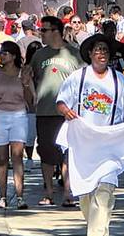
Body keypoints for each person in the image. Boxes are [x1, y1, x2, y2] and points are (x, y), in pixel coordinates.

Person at [56, 33, 124, 236]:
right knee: (87, 197)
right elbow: (61, 101)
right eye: (97, 50)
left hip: (110, 144)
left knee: (105, 192)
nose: (101, 53)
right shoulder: (78, 78)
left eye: (104, 50)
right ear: (90, 54)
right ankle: (98, 230)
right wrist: (65, 111)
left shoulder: (119, 79)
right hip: (84, 144)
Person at [31, 15, 82, 207]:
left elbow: (82, 82)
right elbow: (32, 78)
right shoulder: (39, 56)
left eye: (44, 30)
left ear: (55, 31)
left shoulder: (74, 54)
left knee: (67, 153)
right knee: (46, 153)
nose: (40, 34)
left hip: (68, 113)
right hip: (44, 111)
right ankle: (49, 193)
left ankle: (68, 192)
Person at [0, 41, 35, 210]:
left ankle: (19, 196)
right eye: (1, 53)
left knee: (17, 156)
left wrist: (25, 83)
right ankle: (2, 196)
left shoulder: (22, 73)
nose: (2, 56)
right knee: (2, 158)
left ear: (14, 56)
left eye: (5, 53)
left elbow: (31, 100)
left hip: (18, 115)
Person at [23, 41, 43, 171]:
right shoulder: (26, 69)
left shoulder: (44, 67)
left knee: (40, 136)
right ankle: (29, 159)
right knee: (30, 136)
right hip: (31, 106)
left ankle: (39, 159)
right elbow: (25, 88)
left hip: (42, 106)